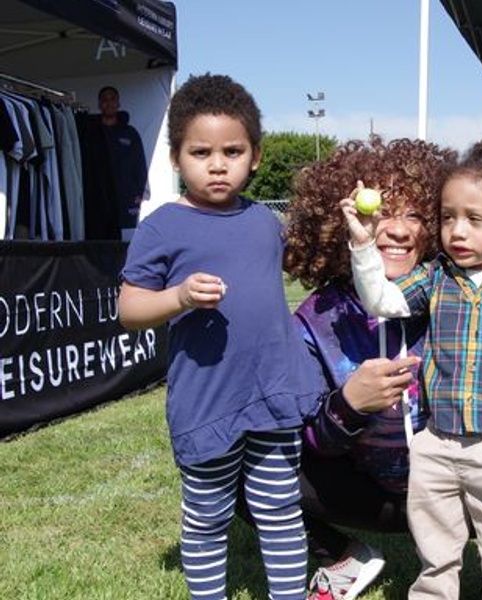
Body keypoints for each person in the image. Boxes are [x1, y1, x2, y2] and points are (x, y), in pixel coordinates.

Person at [279, 136, 482, 600]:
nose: (398, 229)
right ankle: (343, 557)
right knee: (245, 470)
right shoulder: (318, 319)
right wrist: (349, 405)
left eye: (416, 214)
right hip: (369, 491)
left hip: (470, 470)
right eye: (383, 212)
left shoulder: (465, 289)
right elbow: (301, 438)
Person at [118, 74, 323, 600]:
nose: (217, 164)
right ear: (175, 158)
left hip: (273, 391)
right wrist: (180, 296)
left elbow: (308, 266)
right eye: (200, 152)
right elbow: (130, 309)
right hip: (208, 399)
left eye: (232, 151)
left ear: (255, 156)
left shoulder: (266, 221)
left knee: (280, 509)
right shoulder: (162, 226)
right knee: (207, 517)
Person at [98, 85, 149, 240]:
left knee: (127, 239)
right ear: (99, 104)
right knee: (101, 238)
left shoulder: (130, 133)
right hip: (100, 196)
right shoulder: (93, 133)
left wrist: (139, 192)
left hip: (126, 196)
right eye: (105, 100)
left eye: (112, 99)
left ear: (118, 103)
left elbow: (140, 164)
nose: (109, 103)